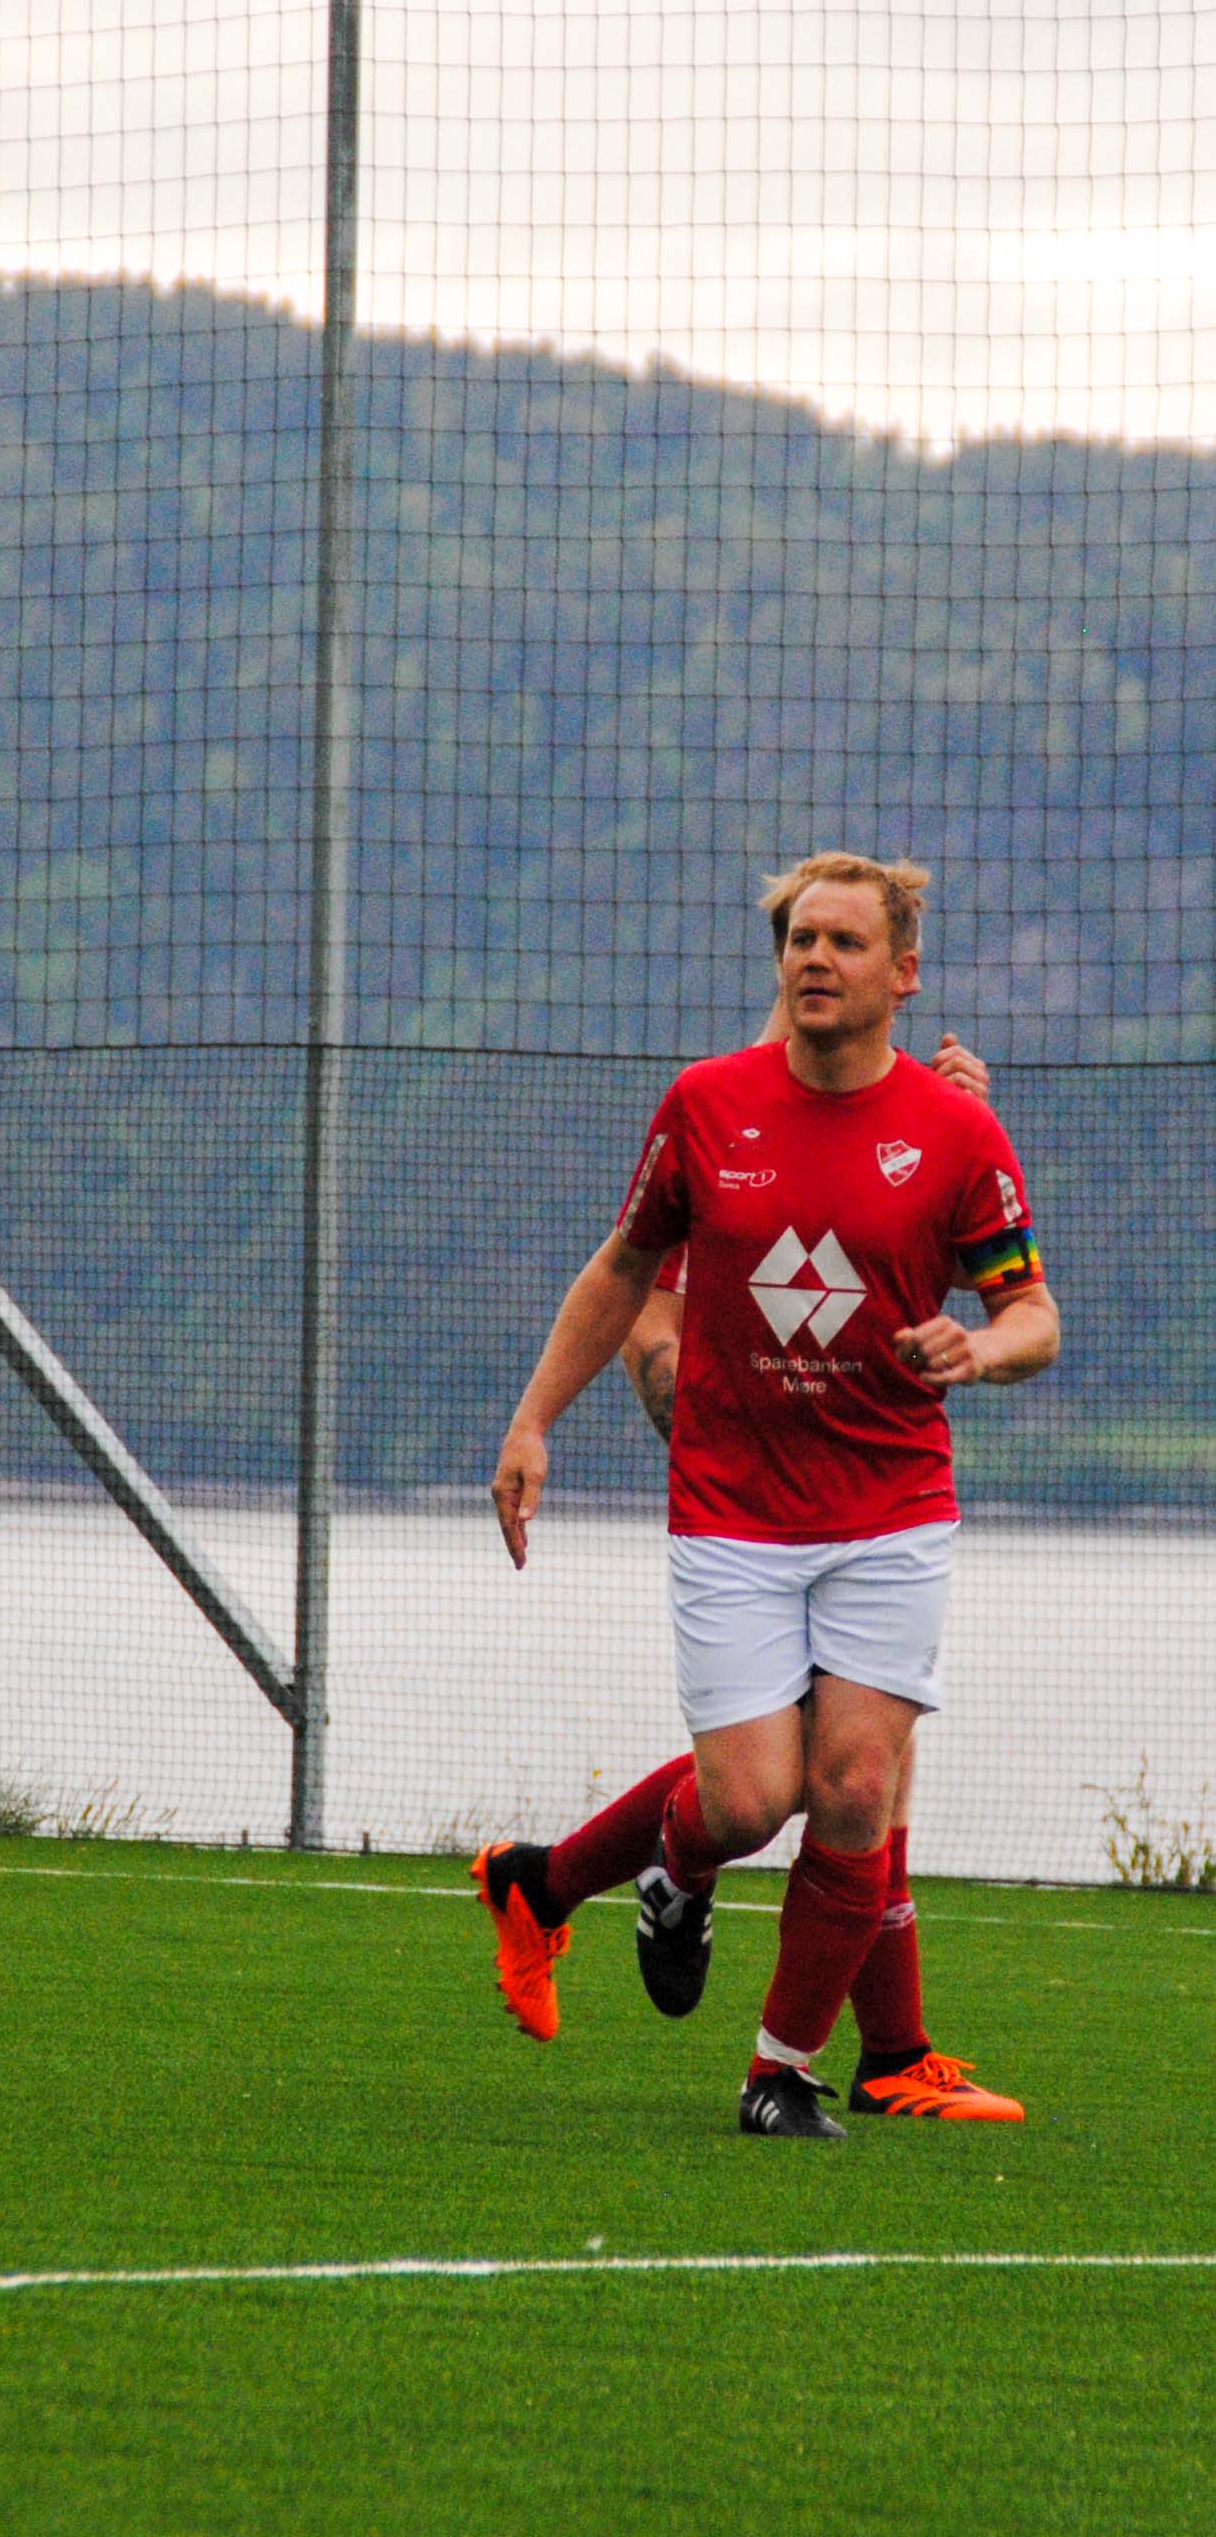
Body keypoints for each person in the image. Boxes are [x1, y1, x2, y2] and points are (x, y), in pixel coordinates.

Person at [486, 852, 1059, 2138]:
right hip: (733, 1509)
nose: (813, 959)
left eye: (843, 943)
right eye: (799, 939)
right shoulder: (707, 1105)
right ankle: (652, 1877)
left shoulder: (954, 1129)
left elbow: (1029, 1309)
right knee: (751, 1797)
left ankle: (785, 2071)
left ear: (902, 975)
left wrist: (979, 1347)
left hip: (889, 1510)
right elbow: (623, 1270)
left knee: (855, 1782)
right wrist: (531, 1422)